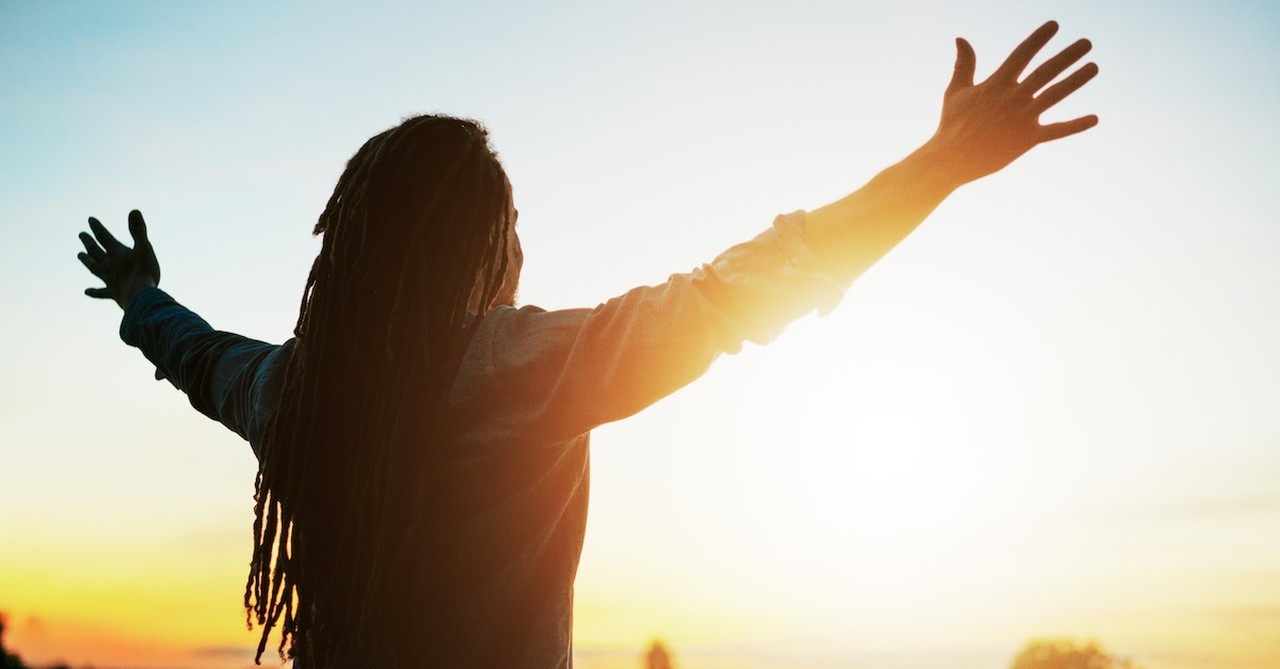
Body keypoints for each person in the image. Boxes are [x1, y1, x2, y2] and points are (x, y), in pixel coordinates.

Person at [76, 21, 1097, 669]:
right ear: (474, 252)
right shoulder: (520, 369)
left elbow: (195, 354)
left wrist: (137, 295)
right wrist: (938, 167)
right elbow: (739, 289)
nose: (519, 247)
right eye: (502, 228)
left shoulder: (290, 390)